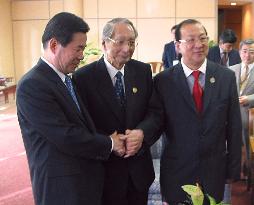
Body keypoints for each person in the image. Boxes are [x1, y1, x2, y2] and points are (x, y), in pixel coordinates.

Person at [125, 19, 242, 204]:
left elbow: (234, 126)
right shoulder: (163, 81)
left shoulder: (225, 77)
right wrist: (140, 135)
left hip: (214, 171)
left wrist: (234, 169)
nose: (199, 45)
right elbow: (156, 120)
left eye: (203, 38)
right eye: (191, 40)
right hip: (177, 170)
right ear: (177, 45)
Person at [16, 12, 124, 205]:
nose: (82, 56)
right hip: (61, 189)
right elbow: (65, 135)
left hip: (83, 182)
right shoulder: (32, 85)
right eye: (78, 49)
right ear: (54, 45)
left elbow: (82, 124)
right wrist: (109, 143)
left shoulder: (66, 79)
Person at [73, 18, 155, 205]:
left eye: (132, 42)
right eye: (120, 42)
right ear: (104, 43)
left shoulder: (142, 71)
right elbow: (81, 124)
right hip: (104, 172)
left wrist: (141, 133)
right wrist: (109, 142)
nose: (127, 48)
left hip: (138, 171)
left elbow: (154, 112)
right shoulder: (83, 77)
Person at [230, 38, 254, 179]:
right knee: (232, 145)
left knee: (248, 146)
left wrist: (249, 99)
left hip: (250, 114)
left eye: (251, 52)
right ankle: (234, 171)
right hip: (232, 114)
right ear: (239, 52)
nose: (247, 55)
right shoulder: (231, 70)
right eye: (244, 51)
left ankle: (249, 171)